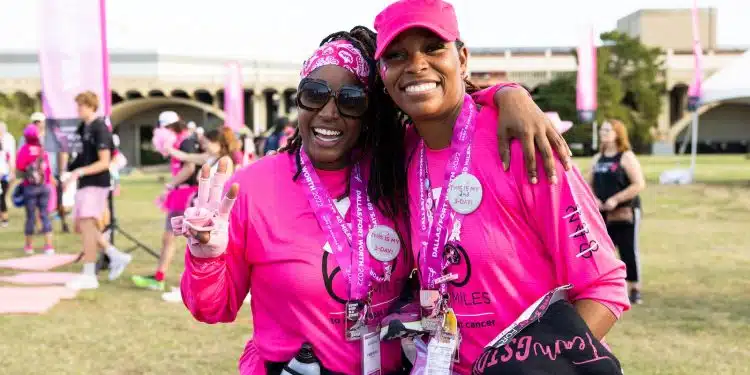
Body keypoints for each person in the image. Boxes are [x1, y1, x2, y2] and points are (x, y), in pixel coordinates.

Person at [175, 25, 571, 374]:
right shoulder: (252, 187)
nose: (329, 113)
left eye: (351, 100)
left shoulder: (396, 168)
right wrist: (207, 257)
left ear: (371, 112)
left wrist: (508, 94)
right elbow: (213, 309)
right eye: (314, 94)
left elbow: (447, 108)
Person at [373, 1, 630, 373]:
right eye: (396, 55)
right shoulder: (403, 154)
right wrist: (505, 91)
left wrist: (541, 367)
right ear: (383, 73)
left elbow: (604, 286)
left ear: (461, 59)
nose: (416, 64)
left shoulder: (520, 142)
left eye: (433, 48)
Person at [63, 91, 132, 290]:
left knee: (87, 225)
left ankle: (89, 274)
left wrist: (79, 172)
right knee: (86, 226)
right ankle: (115, 255)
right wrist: (69, 173)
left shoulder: (100, 128)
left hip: (96, 182)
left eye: (81, 106)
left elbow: (104, 162)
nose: (78, 110)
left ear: (91, 106)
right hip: (86, 182)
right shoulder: (84, 127)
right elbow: (81, 157)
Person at [131, 111, 202, 291]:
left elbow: (189, 167)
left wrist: (170, 185)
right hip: (182, 193)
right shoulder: (180, 141)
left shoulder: (186, 141)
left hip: (187, 194)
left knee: (187, 238)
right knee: (171, 237)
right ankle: (160, 276)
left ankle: (189, 279)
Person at [589, 120, 646, 305]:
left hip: (626, 213)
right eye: (601, 130)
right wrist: (595, 200)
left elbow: (638, 184)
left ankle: (634, 288)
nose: (602, 133)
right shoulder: (598, 158)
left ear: (617, 133)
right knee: (603, 252)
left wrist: (616, 199)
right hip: (603, 214)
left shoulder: (626, 156)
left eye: (607, 129)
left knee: (628, 250)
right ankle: (608, 288)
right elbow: (587, 184)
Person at [28, 112, 70, 233]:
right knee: (39, 202)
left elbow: (62, 153)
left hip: (55, 172)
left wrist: (61, 172)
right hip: (38, 175)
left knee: (60, 201)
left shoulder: (53, 137)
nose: (37, 124)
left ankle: (63, 222)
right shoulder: (29, 137)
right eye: (35, 122)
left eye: (39, 121)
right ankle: (41, 225)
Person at [16, 124, 55, 255]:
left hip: (30, 187)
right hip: (44, 187)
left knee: (30, 217)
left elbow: (20, 166)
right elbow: (48, 169)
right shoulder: (42, 150)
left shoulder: (24, 150)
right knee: (45, 215)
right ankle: (49, 246)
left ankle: (29, 246)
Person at [0, 121, 15, 227]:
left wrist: (11, 172)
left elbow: (9, 159)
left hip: (3, 174)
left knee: (2, 196)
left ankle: (4, 219)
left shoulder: (6, 145)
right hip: (4, 173)